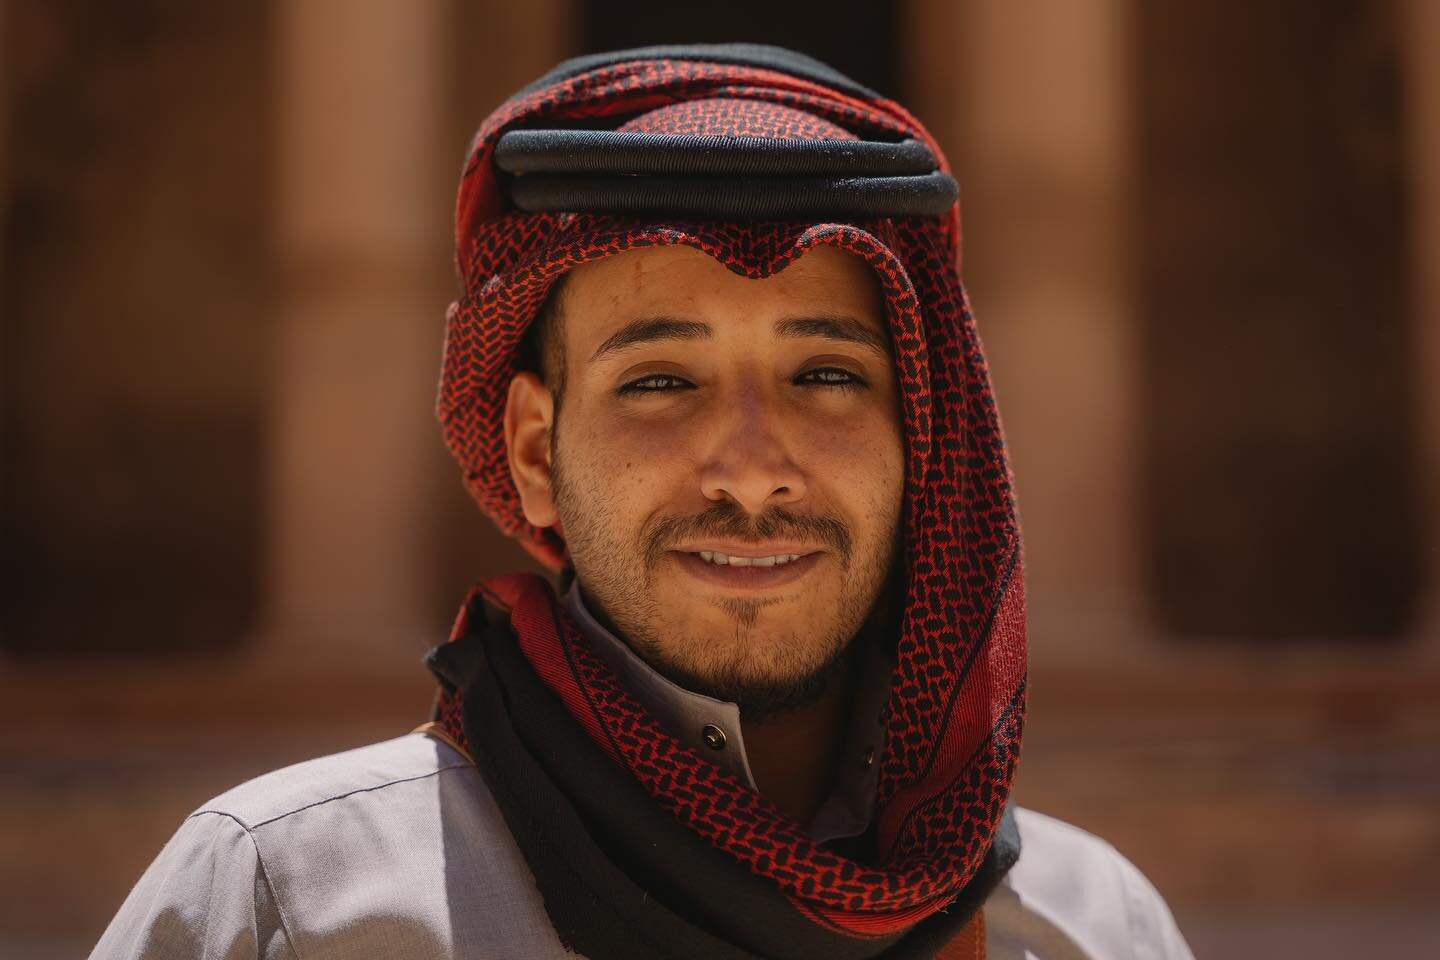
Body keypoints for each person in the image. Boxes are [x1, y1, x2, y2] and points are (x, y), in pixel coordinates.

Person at [91, 44, 1195, 960]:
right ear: (534, 448)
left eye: (826, 377)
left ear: (925, 447)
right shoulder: (291, 904)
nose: (753, 469)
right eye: (660, 383)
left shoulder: (1084, 929)